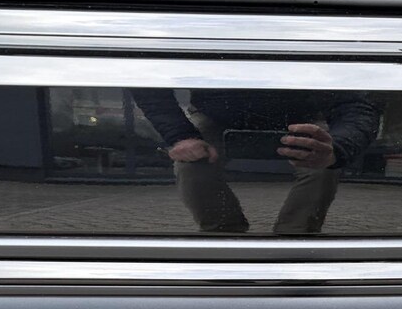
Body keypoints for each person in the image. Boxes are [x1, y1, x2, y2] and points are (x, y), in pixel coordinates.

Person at [131, 88, 381, 234]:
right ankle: (224, 237)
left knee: (323, 163)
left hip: (300, 115)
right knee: (191, 162)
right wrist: (181, 136)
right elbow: (149, 84)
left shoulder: (318, 27)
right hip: (215, 114)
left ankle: (294, 241)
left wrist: (337, 149)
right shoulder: (198, 20)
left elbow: (356, 103)